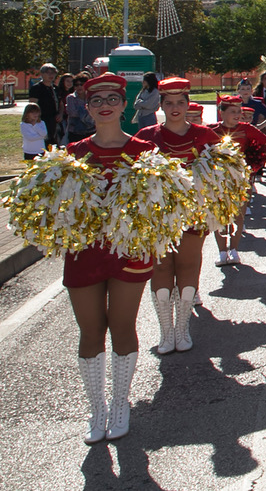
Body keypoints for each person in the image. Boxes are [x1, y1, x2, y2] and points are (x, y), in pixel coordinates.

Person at [62, 74, 163, 443]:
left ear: (124, 105)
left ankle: (121, 403)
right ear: (86, 108)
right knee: (90, 331)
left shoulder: (144, 153)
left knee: (122, 326)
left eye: (112, 98)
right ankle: (97, 409)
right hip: (84, 254)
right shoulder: (72, 155)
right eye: (96, 99)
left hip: (129, 253)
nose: (104, 104)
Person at [138, 78, 222, 355]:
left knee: (188, 266)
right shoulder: (146, 137)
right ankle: (166, 332)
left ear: (188, 105)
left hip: (194, 215)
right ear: (161, 105)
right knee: (161, 268)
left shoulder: (205, 136)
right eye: (168, 103)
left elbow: (223, 174)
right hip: (158, 218)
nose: (175, 108)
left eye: (180, 103)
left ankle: (182, 329)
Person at [211, 96, 266, 265]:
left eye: (239, 111)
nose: (238, 115)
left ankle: (234, 249)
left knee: (238, 215)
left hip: (240, 179)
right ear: (221, 112)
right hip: (219, 181)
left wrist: (254, 162)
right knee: (219, 216)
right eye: (233, 112)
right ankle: (222, 252)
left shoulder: (246, 129)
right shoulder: (212, 130)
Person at [30, 64, 60, 148]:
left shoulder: (56, 89)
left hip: (54, 120)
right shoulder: (36, 88)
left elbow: (60, 103)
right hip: (41, 120)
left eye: (53, 73)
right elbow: (32, 106)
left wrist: (60, 114)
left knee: (53, 142)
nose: (51, 75)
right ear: (42, 74)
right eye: (48, 73)